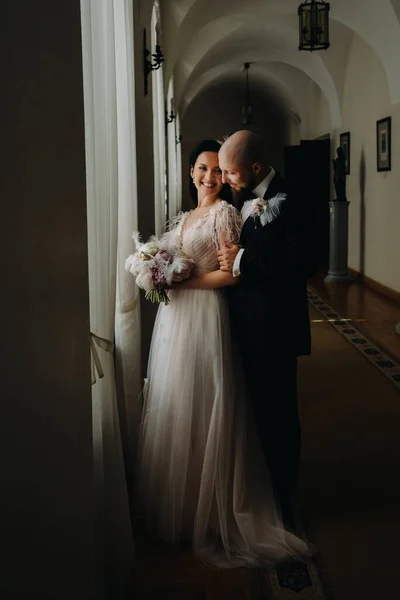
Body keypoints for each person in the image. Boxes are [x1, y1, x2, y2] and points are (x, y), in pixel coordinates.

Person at [135, 139, 310, 567]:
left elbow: (233, 273)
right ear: (191, 171)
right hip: (178, 324)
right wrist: (152, 268)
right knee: (180, 402)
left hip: (220, 319)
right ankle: (188, 500)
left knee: (229, 405)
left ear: (244, 167)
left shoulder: (230, 211)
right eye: (205, 169)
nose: (214, 178)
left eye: (222, 171)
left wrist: (179, 283)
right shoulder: (189, 215)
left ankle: (271, 501)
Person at [218, 130, 313, 530]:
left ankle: (282, 497)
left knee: (278, 415)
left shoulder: (293, 198)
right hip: (246, 326)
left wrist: (244, 260)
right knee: (255, 412)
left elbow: (303, 262)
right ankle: (261, 488)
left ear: (255, 167)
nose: (224, 179)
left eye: (230, 171)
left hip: (274, 330)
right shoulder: (242, 197)